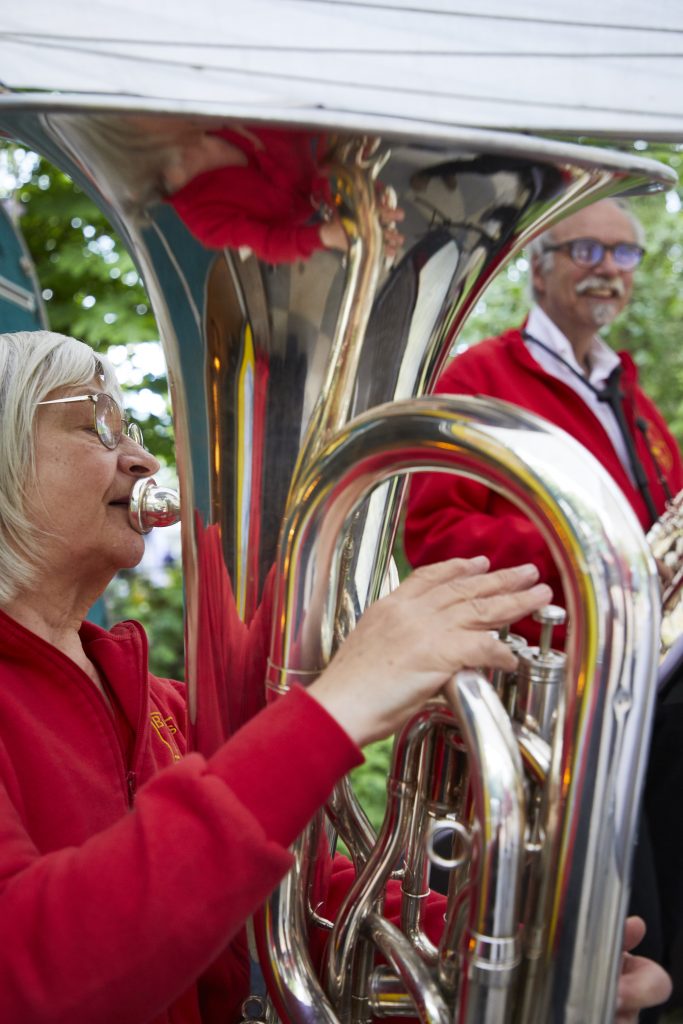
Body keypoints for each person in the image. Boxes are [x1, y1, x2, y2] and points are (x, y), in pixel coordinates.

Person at [0, 329, 668, 1023]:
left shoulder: (165, 702)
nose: (141, 459)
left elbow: (301, 903)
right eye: (97, 426)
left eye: (130, 428)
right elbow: (24, 970)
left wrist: (500, 952)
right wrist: (334, 710)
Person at [405, 197, 683, 647]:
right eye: (588, 250)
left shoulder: (633, 399)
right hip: (538, 674)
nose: (610, 268)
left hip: (643, 656)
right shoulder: (476, 378)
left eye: (625, 253)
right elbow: (435, 537)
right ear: (538, 270)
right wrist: (589, 552)